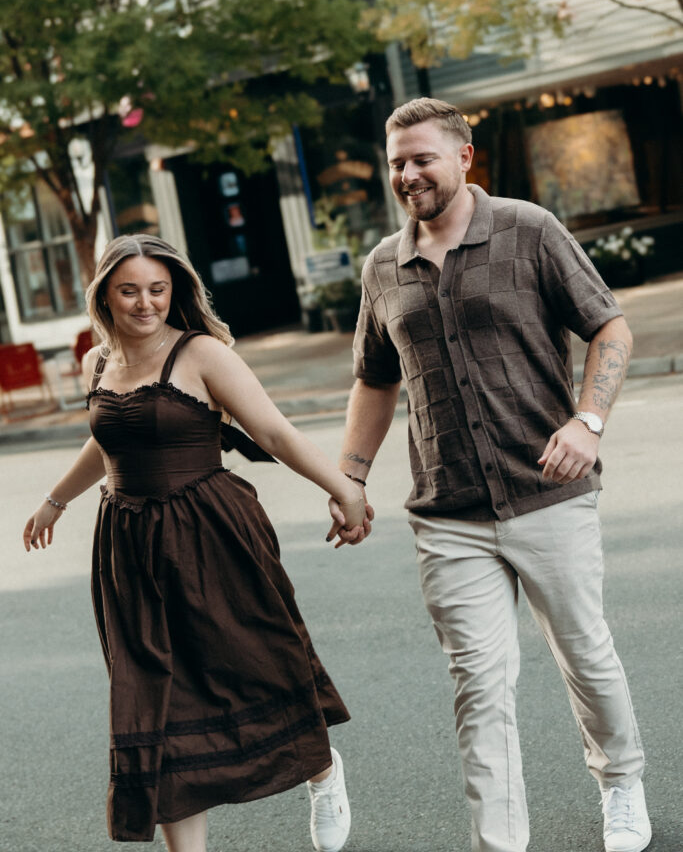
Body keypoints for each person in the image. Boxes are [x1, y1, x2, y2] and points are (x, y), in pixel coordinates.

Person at [327, 98, 651, 852]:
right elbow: (374, 381)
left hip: (546, 493)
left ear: (462, 157)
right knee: (478, 687)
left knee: (583, 651)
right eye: (396, 161)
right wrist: (350, 477)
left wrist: (586, 420)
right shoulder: (383, 266)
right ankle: (499, 841)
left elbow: (610, 326)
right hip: (448, 510)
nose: (407, 174)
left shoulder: (528, 230)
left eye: (421, 158)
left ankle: (620, 783)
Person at [23, 234, 368, 852]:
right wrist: (55, 500)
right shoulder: (95, 363)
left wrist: (344, 489)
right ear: (105, 294)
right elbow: (108, 442)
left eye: (158, 289)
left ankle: (322, 770)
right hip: (128, 544)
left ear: (175, 290)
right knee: (156, 693)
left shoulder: (202, 354)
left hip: (211, 532)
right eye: (129, 290)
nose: (145, 303)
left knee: (256, 661)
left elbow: (273, 431)